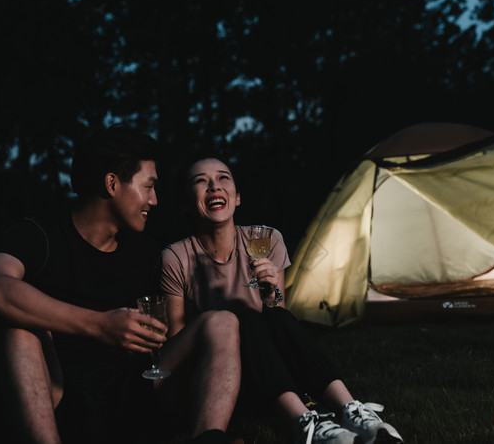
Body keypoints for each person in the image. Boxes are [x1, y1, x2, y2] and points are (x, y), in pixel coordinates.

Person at [0, 128, 241, 444]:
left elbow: (168, 336)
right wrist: (100, 325)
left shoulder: (148, 253)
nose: (154, 200)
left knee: (222, 322)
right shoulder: (39, 236)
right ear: (112, 184)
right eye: (149, 187)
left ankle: (209, 437)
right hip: (59, 394)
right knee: (17, 326)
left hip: (130, 395)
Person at [160, 157, 404, 444]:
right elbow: (178, 339)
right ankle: (302, 422)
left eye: (223, 178)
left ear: (237, 198)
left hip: (268, 371)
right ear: (186, 203)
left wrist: (270, 293)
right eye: (200, 181)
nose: (214, 186)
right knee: (243, 317)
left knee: (274, 316)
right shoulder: (177, 257)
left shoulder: (266, 240)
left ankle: (350, 409)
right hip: (216, 379)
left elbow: (280, 322)